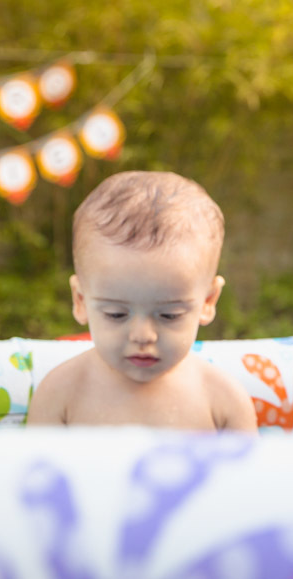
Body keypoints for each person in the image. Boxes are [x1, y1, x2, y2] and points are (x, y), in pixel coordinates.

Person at [27, 170, 258, 432]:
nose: (142, 335)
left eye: (169, 315)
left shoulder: (222, 401)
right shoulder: (60, 394)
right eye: (116, 314)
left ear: (208, 301)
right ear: (80, 301)